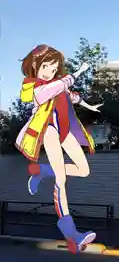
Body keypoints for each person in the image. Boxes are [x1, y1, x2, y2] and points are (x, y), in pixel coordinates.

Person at [15, 44, 102, 254]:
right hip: (49, 131)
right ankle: (72, 236)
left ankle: (42, 171)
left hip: (64, 131)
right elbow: (57, 88)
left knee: (84, 170)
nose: (50, 72)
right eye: (46, 67)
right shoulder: (34, 88)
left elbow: (71, 95)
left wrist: (89, 106)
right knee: (61, 179)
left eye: (54, 69)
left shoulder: (58, 84)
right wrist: (78, 72)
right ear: (35, 66)